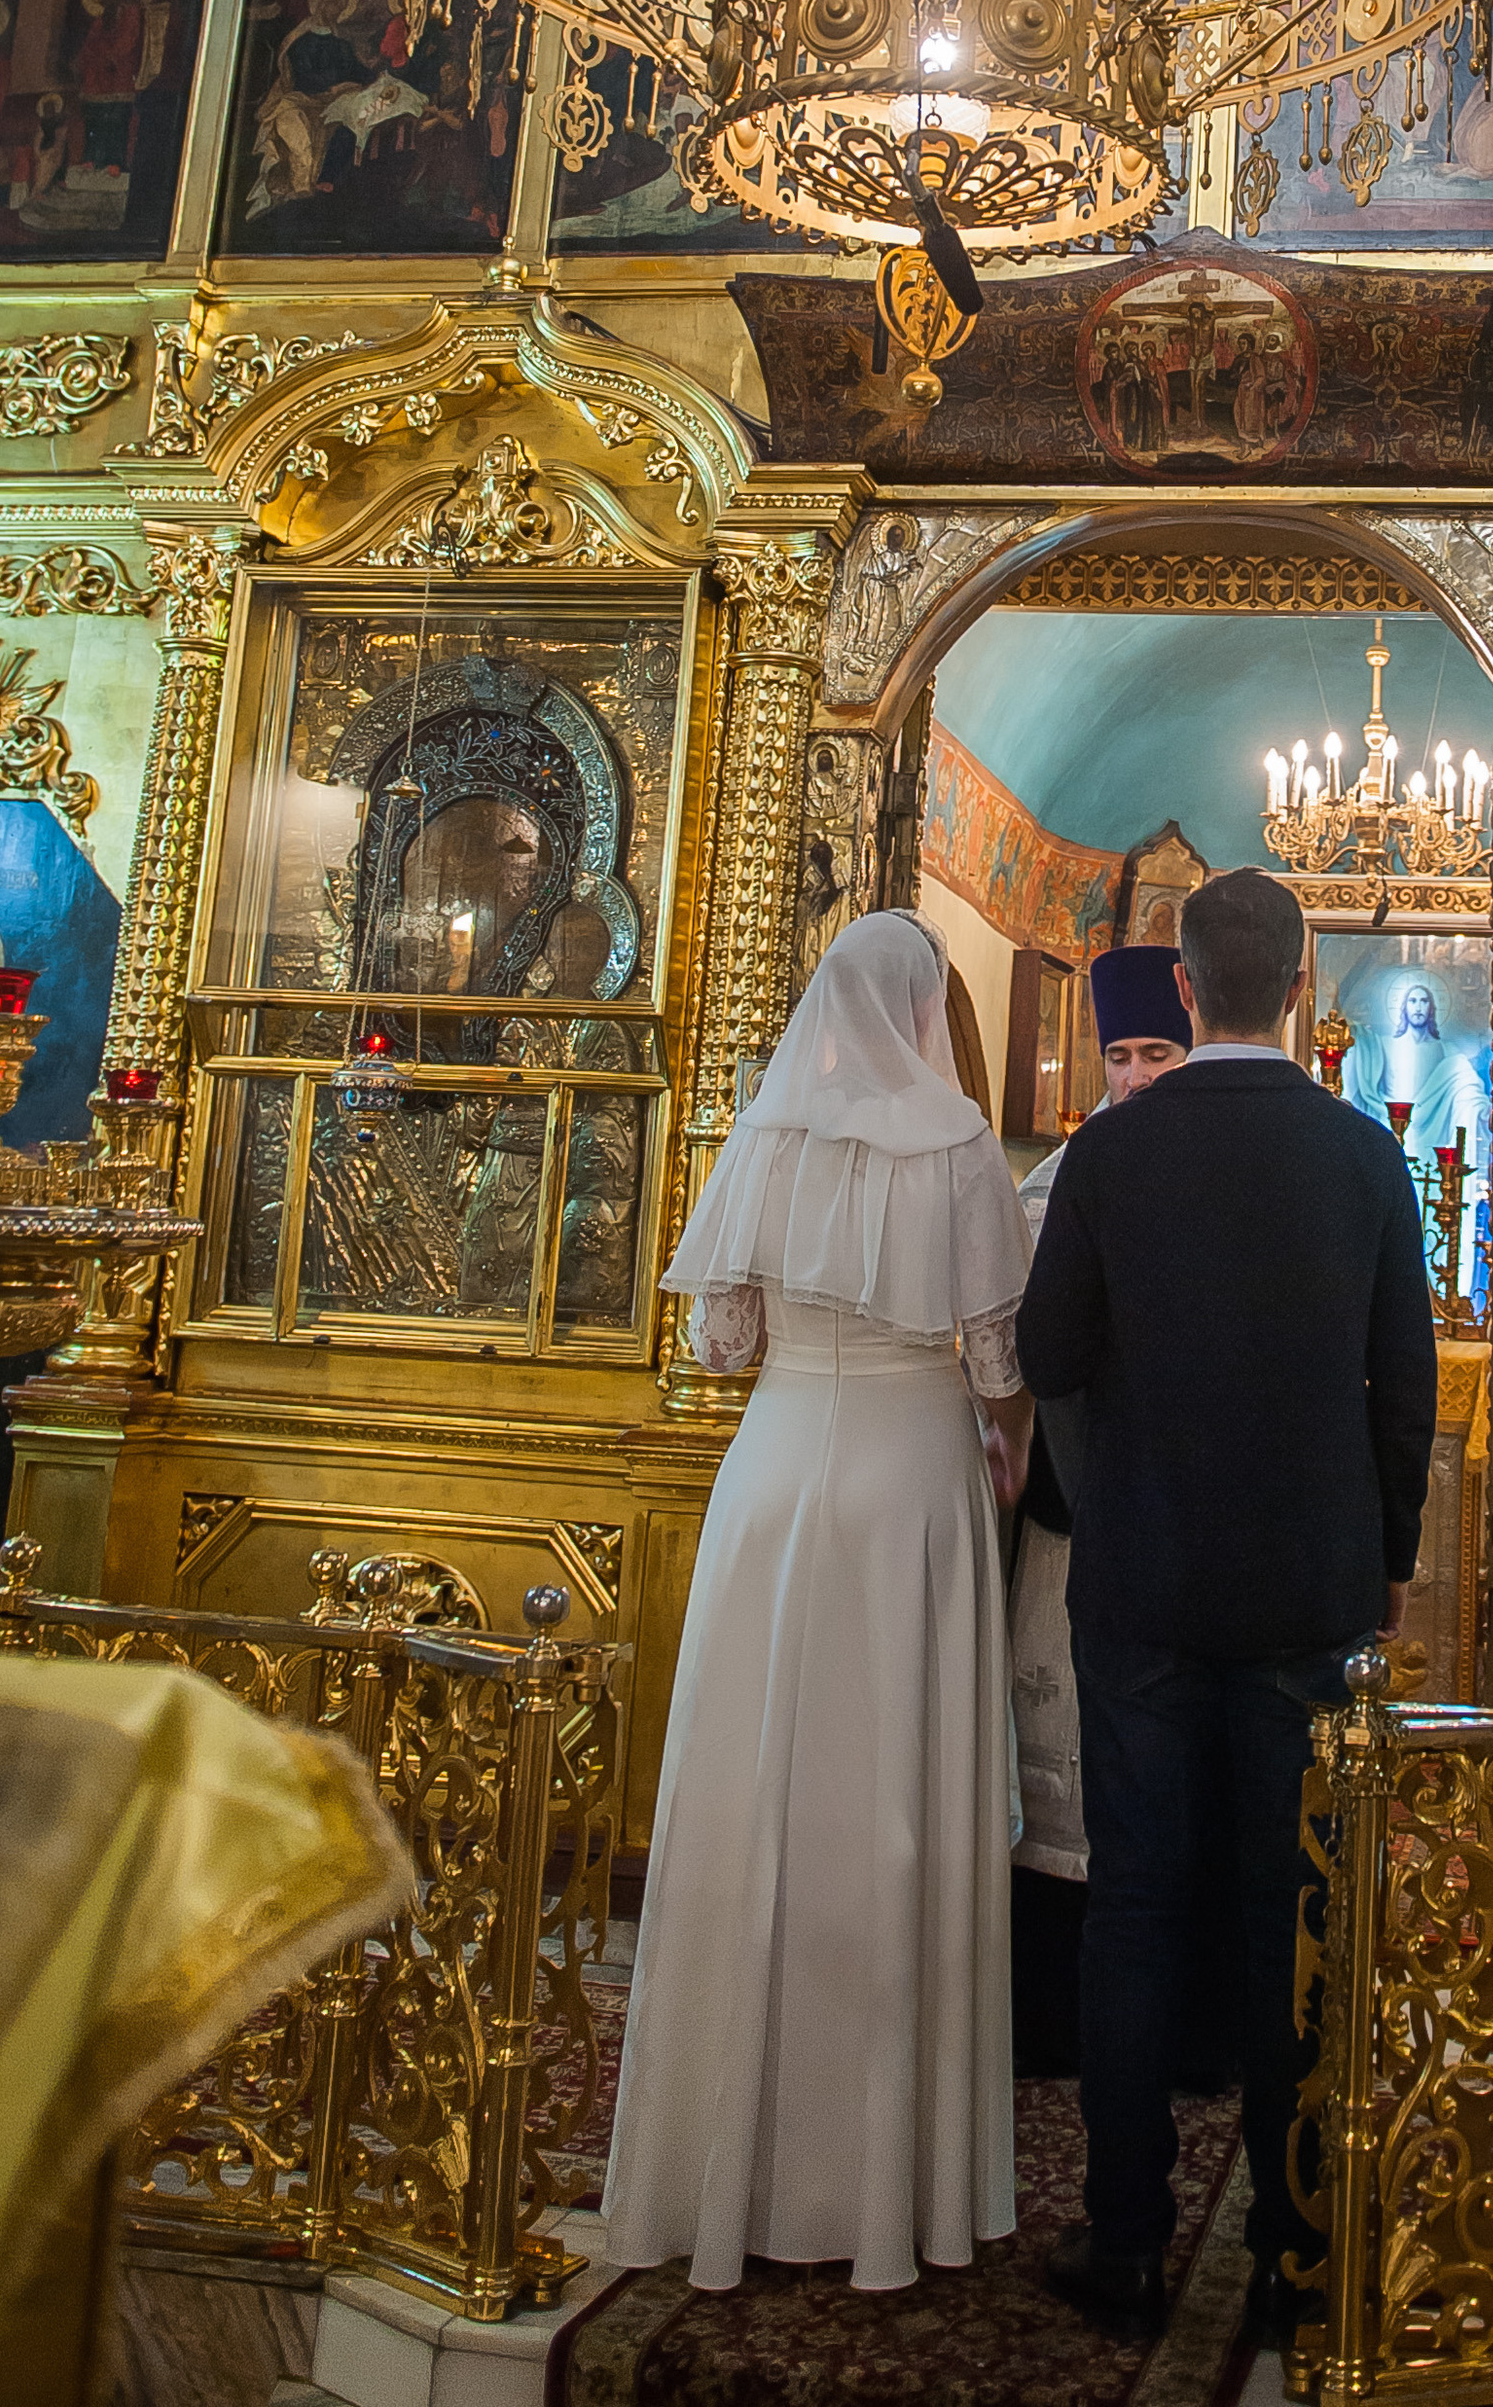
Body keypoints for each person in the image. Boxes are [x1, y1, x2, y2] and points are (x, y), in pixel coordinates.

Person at [1017, 869, 1436, 2351]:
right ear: (1301, 987)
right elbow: (1405, 1383)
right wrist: (1387, 1558)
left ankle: (1128, 2239)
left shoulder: (1112, 1152)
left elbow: (1048, 1351)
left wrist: (1124, 1462)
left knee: (1135, 1904)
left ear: (1187, 992)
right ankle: (1292, 2247)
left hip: (1140, 1581)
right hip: (1308, 1592)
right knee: (1291, 1912)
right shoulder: (1362, 1156)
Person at [603, 913, 1034, 2291]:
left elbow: (719, 1344)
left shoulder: (764, 1135)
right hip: (911, 1486)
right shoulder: (959, 1144)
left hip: (777, 1475)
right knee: (896, 1792)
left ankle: (720, 2158)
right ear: (923, 1010)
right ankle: (893, 2179)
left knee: (756, 1788)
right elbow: (995, 1362)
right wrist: (1003, 1432)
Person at [1009, 945, 1192, 2078]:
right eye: (1118, 1055)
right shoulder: (1051, 1183)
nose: (1133, 1076)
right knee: (1059, 1752)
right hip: (1071, 1517)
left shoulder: (1221, 1168)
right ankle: (1052, 2010)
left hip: (1179, 1521)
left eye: (1155, 1051)